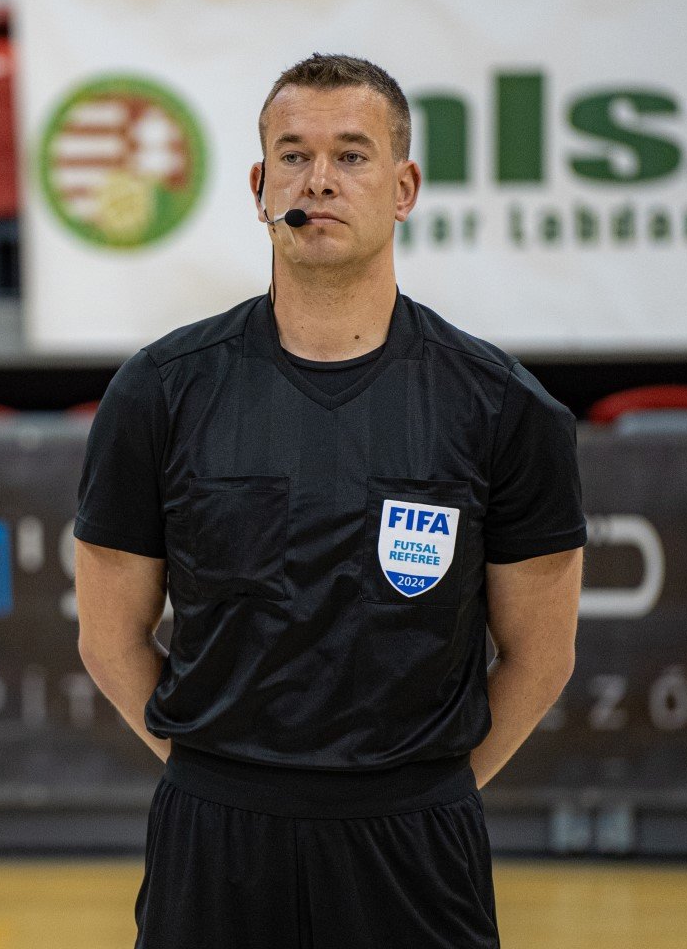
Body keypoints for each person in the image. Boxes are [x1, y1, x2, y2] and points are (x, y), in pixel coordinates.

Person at [75, 53, 585, 948]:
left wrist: (418, 790)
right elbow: (109, 634)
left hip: (416, 840)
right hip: (215, 834)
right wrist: (220, 777)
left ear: (404, 185)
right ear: (259, 185)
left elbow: (540, 658)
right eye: (294, 154)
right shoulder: (160, 390)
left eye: (352, 155)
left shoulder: (504, 406)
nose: (320, 179)